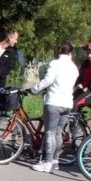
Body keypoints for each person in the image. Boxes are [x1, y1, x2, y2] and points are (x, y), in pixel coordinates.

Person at [28, 42, 79, 173]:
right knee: (58, 132)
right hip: (67, 103)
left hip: (54, 102)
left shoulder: (55, 64)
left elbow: (48, 80)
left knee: (50, 132)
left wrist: (34, 89)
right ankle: (55, 161)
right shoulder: (74, 67)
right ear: (70, 53)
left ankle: (47, 163)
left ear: (59, 51)